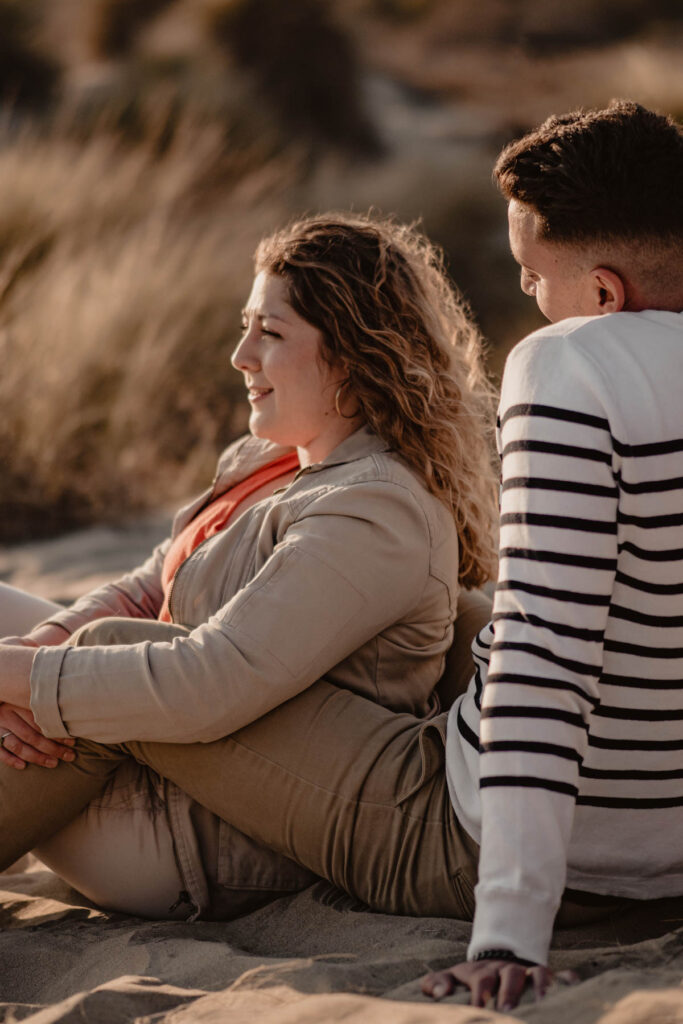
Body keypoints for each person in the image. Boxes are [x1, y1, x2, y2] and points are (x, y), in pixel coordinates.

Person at [2, 100, 681, 1012]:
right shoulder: (287, 462)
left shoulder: (569, 365)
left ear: (602, 295)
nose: (530, 304)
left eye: (530, 279)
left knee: (108, 667)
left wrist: (508, 932)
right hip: (646, 848)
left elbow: (544, 659)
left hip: (472, 834)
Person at [0, 212, 498, 919]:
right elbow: (153, 582)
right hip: (140, 743)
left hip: (198, 828)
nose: (240, 354)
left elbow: (213, 680)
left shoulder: (376, 510)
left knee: (54, 673)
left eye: (271, 333)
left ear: (353, 354)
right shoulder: (271, 457)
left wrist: (17, 679)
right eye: (244, 324)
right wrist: (38, 651)